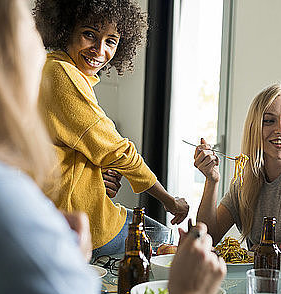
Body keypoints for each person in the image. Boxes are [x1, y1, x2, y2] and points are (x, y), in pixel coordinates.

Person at [0, 1, 225, 294]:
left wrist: (60, 265)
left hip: (82, 232)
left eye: (111, 40)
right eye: (26, 25)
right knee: (158, 239)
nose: (38, 40)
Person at [33, 0, 189, 258]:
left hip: (66, 211)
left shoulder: (57, 71)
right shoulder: (61, 74)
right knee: (165, 237)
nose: (99, 50)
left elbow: (80, 148)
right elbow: (118, 150)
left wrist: (97, 174)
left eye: (111, 41)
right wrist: (168, 201)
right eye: (89, 34)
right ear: (66, 28)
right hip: (77, 222)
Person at [193, 83, 281, 250]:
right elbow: (206, 237)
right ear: (254, 128)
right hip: (261, 276)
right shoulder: (244, 183)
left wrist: (263, 249)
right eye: (269, 121)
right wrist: (212, 180)